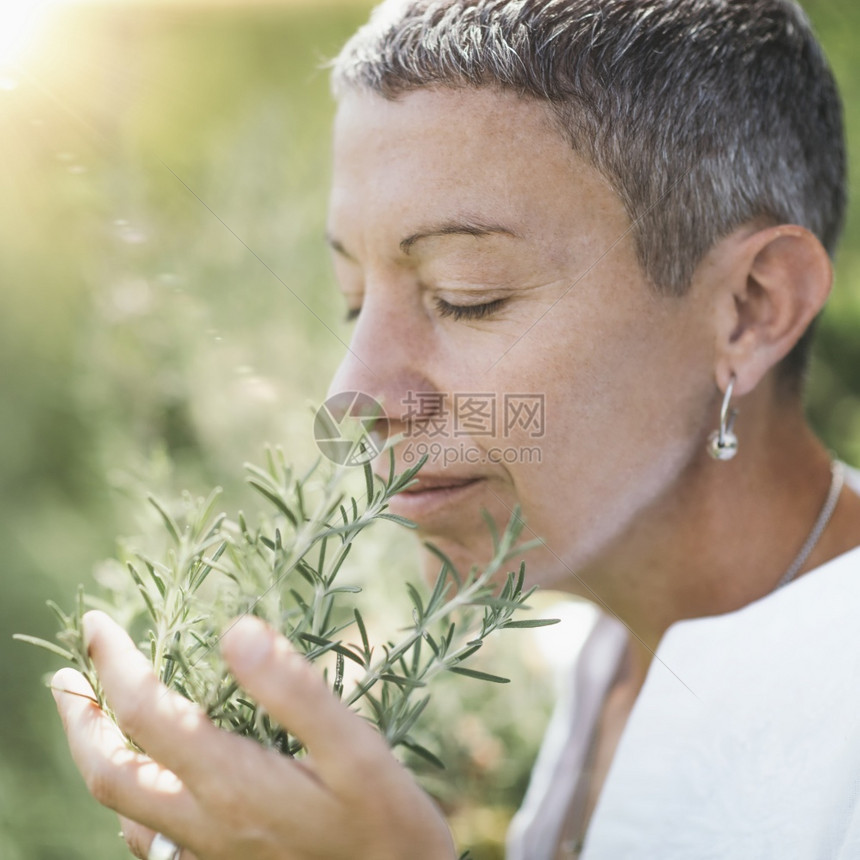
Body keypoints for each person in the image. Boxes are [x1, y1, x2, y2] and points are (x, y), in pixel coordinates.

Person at [51, 0, 860, 858]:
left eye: (466, 294)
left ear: (751, 308)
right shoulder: (582, 653)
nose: (352, 394)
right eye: (353, 302)